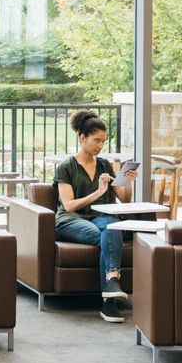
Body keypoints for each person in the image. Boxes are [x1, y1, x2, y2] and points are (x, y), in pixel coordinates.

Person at [51, 110, 136, 321]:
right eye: (96, 140)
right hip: (71, 220)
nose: (100, 146)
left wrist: (128, 180)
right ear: (82, 138)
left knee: (112, 227)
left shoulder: (105, 165)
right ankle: (110, 297)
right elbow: (69, 206)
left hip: (101, 217)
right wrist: (98, 192)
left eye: (103, 142)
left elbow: (124, 199)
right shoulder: (66, 167)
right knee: (108, 237)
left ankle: (110, 290)